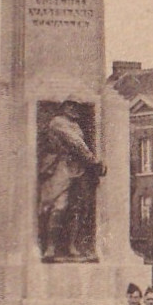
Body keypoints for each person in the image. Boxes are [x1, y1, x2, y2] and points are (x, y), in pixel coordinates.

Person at [38, 101, 104, 260]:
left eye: (76, 106)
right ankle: (50, 247)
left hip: (78, 169)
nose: (74, 109)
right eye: (70, 106)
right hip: (61, 168)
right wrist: (93, 160)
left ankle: (72, 246)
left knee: (77, 208)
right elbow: (75, 142)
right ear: (63, 107)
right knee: (58, 206)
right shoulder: (58, 122)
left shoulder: (75, 124)